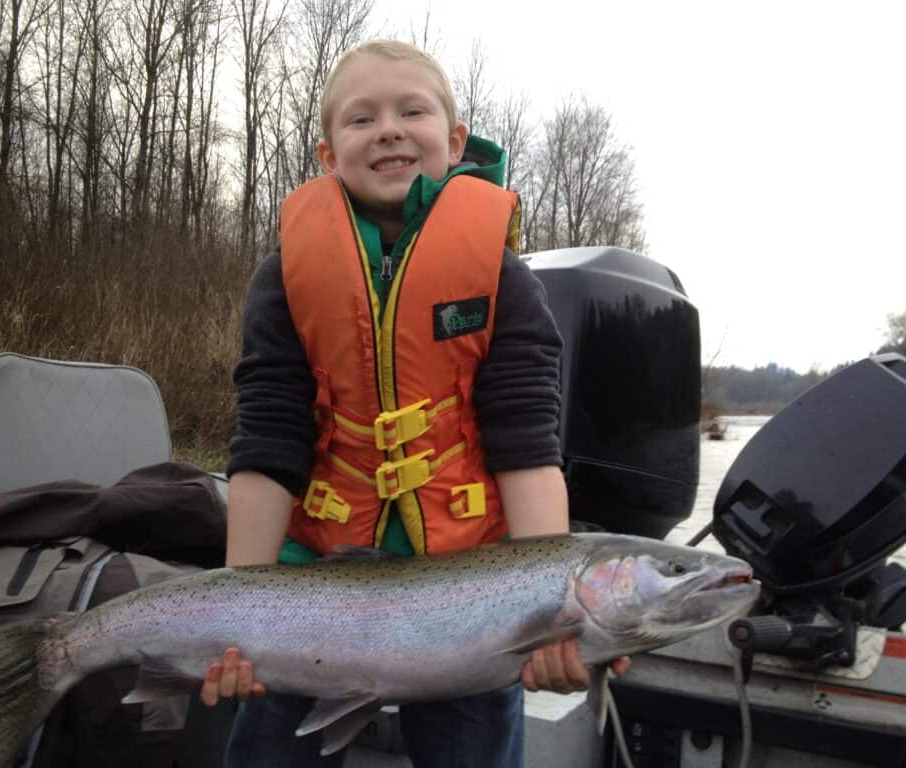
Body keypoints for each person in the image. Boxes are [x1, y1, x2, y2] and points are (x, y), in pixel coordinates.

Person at [200, 39, 630, 767]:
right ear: (327, 153)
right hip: (314, 575)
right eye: (362, 119)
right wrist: (238, 614)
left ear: (455, 140)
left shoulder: (506, 281)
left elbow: (527, 448)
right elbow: (267, 443)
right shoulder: (284, 278)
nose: (389, 129)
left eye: (412, 111)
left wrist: (551, 614)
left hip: (472, 592)